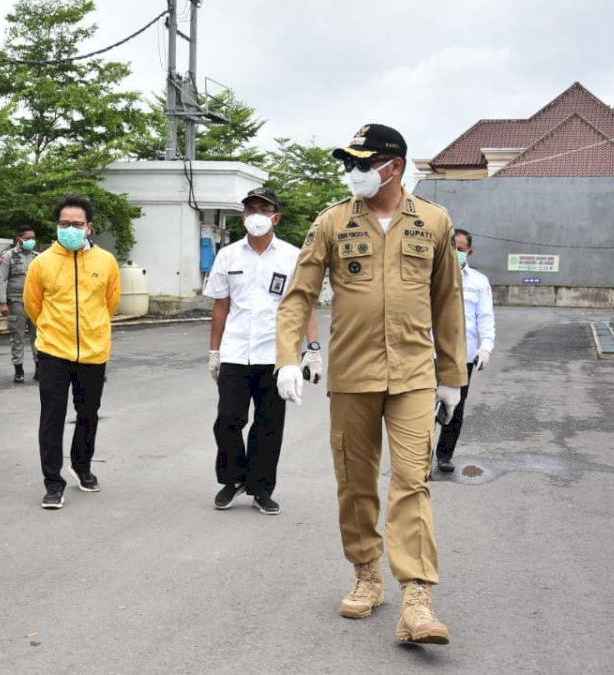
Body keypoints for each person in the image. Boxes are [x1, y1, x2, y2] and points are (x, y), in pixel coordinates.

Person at [275, 124, 467, 645]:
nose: (353, 172)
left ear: (395, 166)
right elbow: (299, 296)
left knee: (412, 479)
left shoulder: (434, 222)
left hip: (413, 375)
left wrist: (452, 376)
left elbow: (449, 301)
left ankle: (418, 600)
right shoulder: (332, 222)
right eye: (350, 163)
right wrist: (288, 358)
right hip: (353, 375)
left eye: (363, 163)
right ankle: (367, 575)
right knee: (356, 483)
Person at [203, 187, 316, 515]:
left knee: (268, 426)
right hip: (236, 352)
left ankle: (261, 489)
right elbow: (220, 307)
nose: (257, 215)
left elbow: (304, 305)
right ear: (243, 217)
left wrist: (312, 349)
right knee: (227, 420)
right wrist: (214, 351)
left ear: (276, 217)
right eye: (251, 209)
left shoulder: (292, 256)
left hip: (276, 356)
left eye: (264, 210)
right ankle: (232, 479)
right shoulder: (228, 255)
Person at [24, 195, 120, 509]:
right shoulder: (42, 263)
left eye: (77, 224)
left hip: (93, 352)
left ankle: (82, 466)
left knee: (88, 414)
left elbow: (111, 303)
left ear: (88, 228)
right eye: (64, 224)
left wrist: (92, 331)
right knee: (51, 418)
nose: (70, 229)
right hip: (53, 351)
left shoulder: (105, 261)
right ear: (57, 226)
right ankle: (53, 482)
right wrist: (54, 331)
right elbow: (33, 306)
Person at [435, 228, 495, 473]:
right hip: (430, 355)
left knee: (455, 408)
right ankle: (418, 459)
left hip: (463, 358)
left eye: (459, 250)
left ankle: (444, 455)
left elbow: (486, 318)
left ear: (469, 252)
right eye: (451, 248)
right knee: (421, 408)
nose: (455, 253)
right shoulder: (432, 276)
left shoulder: (479, 282)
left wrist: (486, 347)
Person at [0, 225, 39, 383]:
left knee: (38, 336)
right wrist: (2, 303)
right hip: (16, 302)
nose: (31, 241)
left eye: (33, 238)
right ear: (19, 239)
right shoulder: (8, 256)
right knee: (18, 336)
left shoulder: (37, 257)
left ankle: (39, 368)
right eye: (28, 238)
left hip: (36, 302)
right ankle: (19, 370)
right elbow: (1, 279)